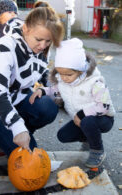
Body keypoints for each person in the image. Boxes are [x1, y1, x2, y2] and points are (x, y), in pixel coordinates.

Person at [0, 7, 64, 156]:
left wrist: (53, 88)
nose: (43, 46)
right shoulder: (4, 48)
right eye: (39, 40)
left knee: (49, 107)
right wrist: (17, 127)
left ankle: (16, 133)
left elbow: (42, 72)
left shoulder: (42, 46)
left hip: (20, 98)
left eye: (48, 41)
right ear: (25, 28)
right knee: (28, 157)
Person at [29, 38, 115, 168]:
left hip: (103, 118)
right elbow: (56, 90)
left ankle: (97, 150)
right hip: (81, 120)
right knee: (63, 135)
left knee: (87, 121)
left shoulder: (95, 82)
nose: (63, 78)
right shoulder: (64, 80)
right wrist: (43, 91)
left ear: (80, 70)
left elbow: (104, 105)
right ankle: (88, 139)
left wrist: (81, 114)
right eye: (61, 74)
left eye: (68, 75)